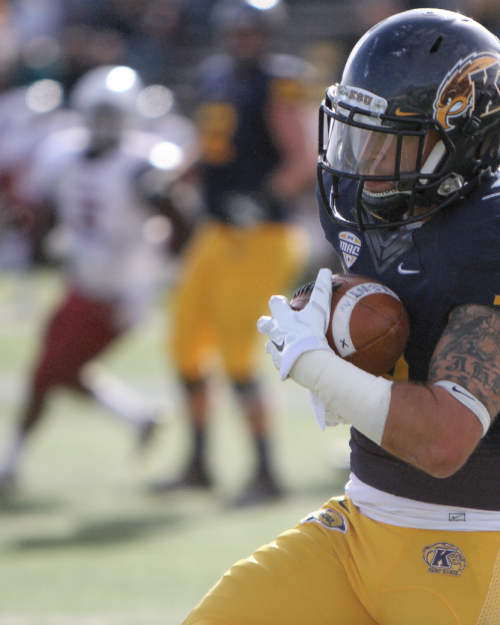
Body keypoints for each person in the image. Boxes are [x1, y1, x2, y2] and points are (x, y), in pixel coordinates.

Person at [183, 8, 500, 624]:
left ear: (459, 137)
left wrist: (314, 365)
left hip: (471, 540)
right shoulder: (359, 199)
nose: (363, 156)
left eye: (389, 135)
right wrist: (332, 335)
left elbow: (446, 439)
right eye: (357, 130)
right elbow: (387, 339)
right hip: (360, 524)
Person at [0, 64, 191, 495]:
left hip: (122, 290)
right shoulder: (62, 153)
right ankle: (138, 418)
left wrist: (172, 266)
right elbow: (41, 206)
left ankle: (9, 463)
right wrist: (42, 241)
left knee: (48, 371)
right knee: (56, 370)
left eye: (113, 115)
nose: (105, 125)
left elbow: (180, 218)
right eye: (98, 114)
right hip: (81, 280)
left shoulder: (143, 163)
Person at [152, 0, 315, 506]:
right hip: (216, 232)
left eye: (253, 30)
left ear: (267, 33)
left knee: (236, 354)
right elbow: (212, 145)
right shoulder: (216, 76)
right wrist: (176, 177)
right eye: (238, 30)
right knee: (183, 342)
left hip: (263, 235)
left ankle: (267, 472)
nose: (245, 38)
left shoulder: (281, 80)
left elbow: (304, 157)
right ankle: (199, 462)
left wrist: (266, 196)